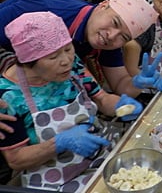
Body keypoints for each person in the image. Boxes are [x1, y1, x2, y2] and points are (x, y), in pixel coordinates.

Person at [0, 12, 144, 191]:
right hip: (56, 181)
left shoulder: (73, 65)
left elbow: (102, 99)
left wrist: (123, 105)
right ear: (27, 61)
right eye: (53, 57)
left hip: (99, 159)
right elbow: (16, 159)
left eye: (68, 49)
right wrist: (59, 143)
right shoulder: (7, 97)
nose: (66, 61)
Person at [0, 0, 160, 97]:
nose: (112, 36)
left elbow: (120, 85)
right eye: (115, 22)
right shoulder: (44, 12)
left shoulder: (106, 42)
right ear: (103, 5)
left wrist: (140, 82)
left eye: (123, 37)